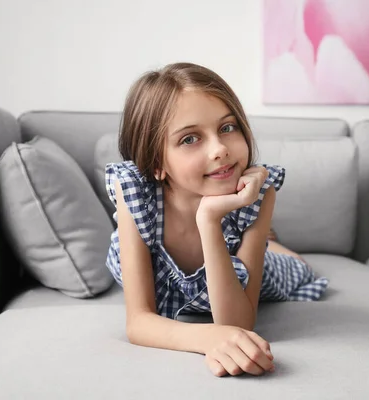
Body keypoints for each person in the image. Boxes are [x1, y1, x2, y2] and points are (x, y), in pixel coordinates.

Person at [105, 62, 329, 377]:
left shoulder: (259, 193)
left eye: (227, 127)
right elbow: (139, 321)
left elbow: (237, 324)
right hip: (165, 268)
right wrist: (209, 338)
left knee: (298, 268)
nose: (220, 149)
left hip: (242, 275)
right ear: (157, 164)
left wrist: (209, 219)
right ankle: (266, 241)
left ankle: (269, 246)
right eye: (189, 139)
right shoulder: (135, 191)